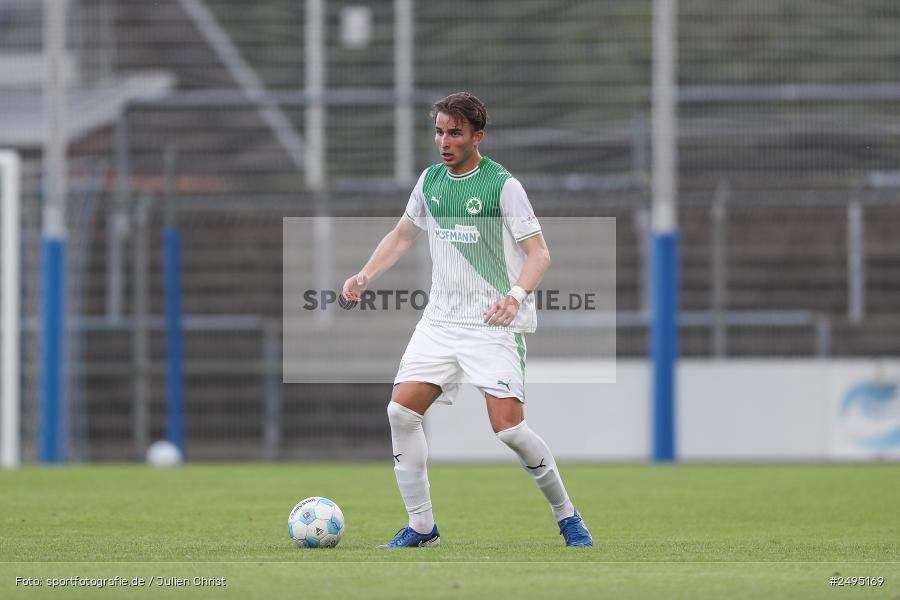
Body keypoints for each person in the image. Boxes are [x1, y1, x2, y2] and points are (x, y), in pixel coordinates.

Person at [342, 92, 592, 548]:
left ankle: (568, 515)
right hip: (438, 322)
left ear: (477, 136)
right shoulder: (430, 181)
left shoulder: (503, 185)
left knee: (510, 431)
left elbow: (540, 254)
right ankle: (422, 528)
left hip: (490, 326)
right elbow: (402, 236)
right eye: (439, 131)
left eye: (454, 132)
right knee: (400, 412)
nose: (444, 141)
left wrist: (515, 296)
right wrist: (364, 274)